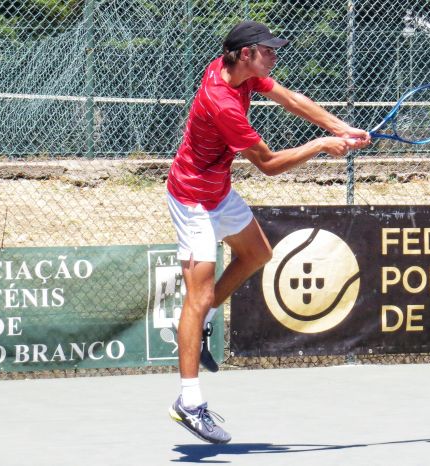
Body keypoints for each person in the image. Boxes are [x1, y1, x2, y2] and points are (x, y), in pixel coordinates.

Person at [166, 20, 371, 444]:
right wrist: (319, 146)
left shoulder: (239, 73)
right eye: (268, 50)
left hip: (218, 191)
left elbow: (291, 99)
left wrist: (340, 129)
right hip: (192, 201)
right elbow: (269, 164)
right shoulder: (222, 102)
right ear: (246, 54)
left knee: (258, 253)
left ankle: (199, 321)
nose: (275, 57)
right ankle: (189, 401)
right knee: (197, 297)